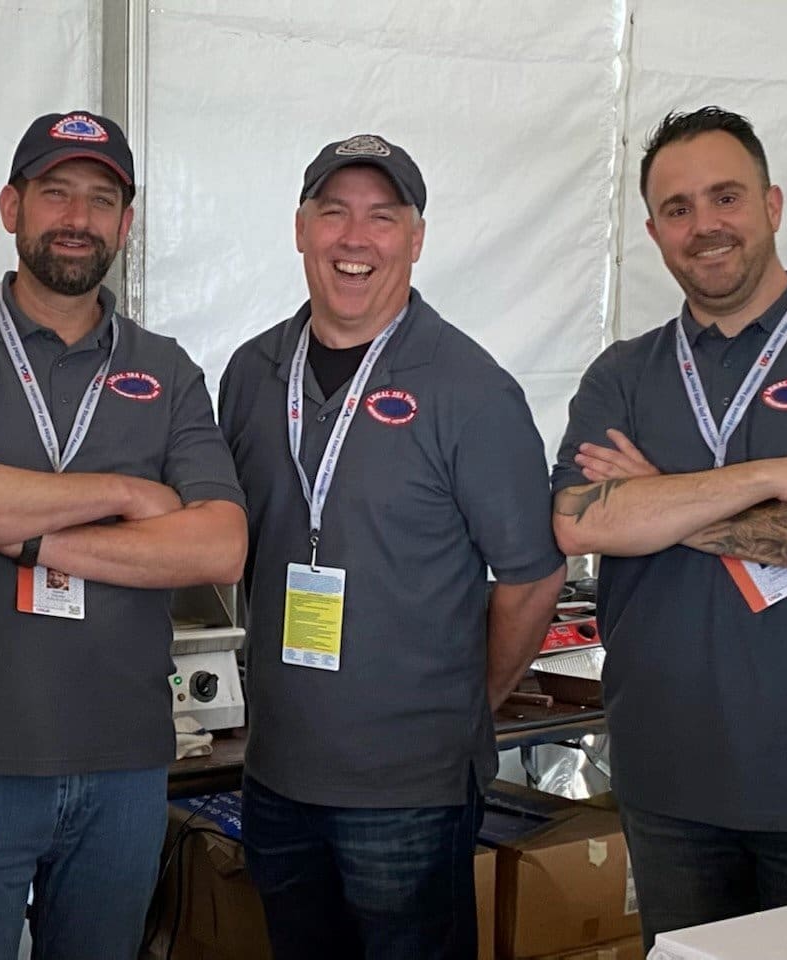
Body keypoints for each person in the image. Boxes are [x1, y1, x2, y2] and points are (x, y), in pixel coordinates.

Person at [0, 110, 247, 960]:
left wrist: (21, 532)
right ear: (11, 207)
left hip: (124, 763)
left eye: (100, 198)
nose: (77, 218)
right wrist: (126, 493)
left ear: (127, 220)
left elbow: (219, 546)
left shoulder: (166, 369)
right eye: (55, 193)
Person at [219, 133, 565, 959]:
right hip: (275, 775)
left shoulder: (470, 388)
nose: (354, 238)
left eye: (382, 216)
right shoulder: (250, 373)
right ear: (300, 228)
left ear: (415, 237)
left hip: (410, 795)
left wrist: (462, 710)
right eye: (333, 211)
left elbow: (533, 577)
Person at [552, 106, 787, 948]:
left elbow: (624, 516)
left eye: (724, 197)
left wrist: (657, 501)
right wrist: (767, 480)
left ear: (771, 204)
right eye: (677, 209)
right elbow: (577, 522)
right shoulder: (623, 375)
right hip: (670, 784)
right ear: (656, 232)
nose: (705, 226)